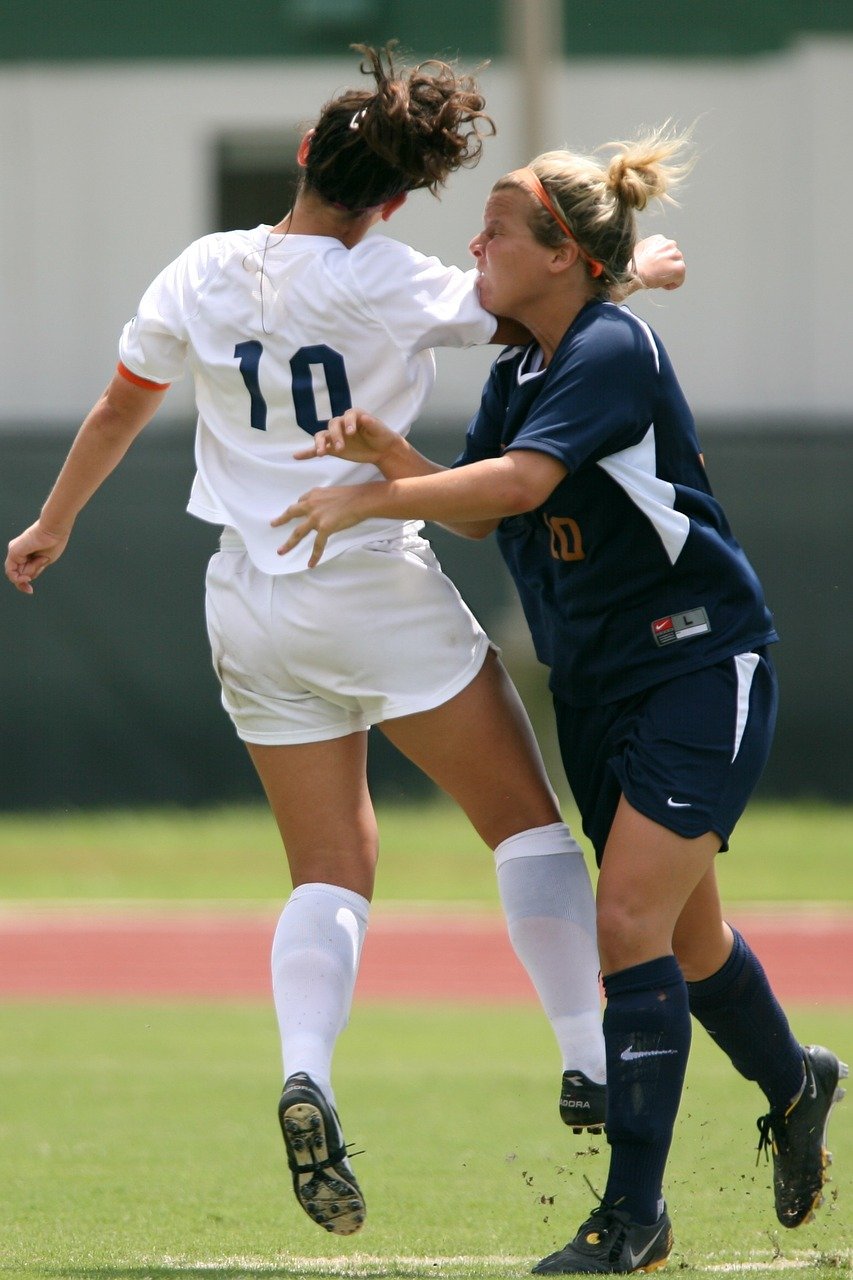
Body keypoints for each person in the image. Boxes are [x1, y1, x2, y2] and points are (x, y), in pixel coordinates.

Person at [4, 46, 686, 1241]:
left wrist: (54, 521)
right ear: (397, 197)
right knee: (525, 822)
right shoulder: (403, 285)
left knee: (328, 864)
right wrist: (638, 272)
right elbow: (542, 299)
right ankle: (586, 1057)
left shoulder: (203, 269)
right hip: (368, 574)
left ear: (309, 158)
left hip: (245, 597)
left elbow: (122, 402)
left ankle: (308, 1067)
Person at [273, 126, 847, 1272]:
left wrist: (372, 502)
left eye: (499, 226)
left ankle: (631, 1214)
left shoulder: (609, 345)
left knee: (624, 923)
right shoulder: (524, 367)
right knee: (688, 940)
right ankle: (796, 1082)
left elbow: (521, 483)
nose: (475, 239)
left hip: (696, 662)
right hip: (599, 686)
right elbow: (482, 511)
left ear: (565, 255)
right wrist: (391, 452)